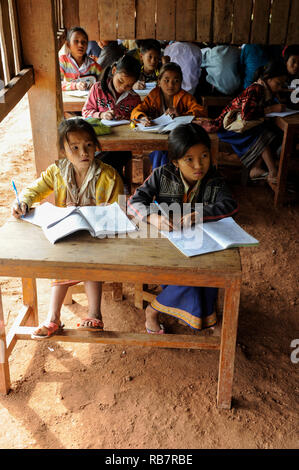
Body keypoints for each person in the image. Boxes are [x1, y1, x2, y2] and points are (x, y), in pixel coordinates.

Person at [11, 118, 124, 339]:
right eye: (74, 147)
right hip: (68, 234)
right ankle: (53, 317)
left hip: (99, 237)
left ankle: (94, 314)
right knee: (62, 256)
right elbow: (33, 190)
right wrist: (22, 201)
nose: (83, 151)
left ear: (95, 145)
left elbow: (120, 211)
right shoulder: (56, 172)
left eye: (89, 145)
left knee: (92, 255)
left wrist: (99, 214)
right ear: (63, 151)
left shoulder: (109, 175)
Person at [127, 123, 238, 333]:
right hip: (168, 243)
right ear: (175, 161)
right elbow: (134, 201)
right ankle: (155, 311)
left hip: (201, 244)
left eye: (204, 156)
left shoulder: (214, 178)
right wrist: (152, 217)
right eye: (189, 159)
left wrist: (201, 214)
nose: (199, 165)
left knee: (204, 271)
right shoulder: (162, 175)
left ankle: (158, 309)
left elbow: (231, 205)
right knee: (192, 276)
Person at [197, 60, 288, 184]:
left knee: (264, 130)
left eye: (282, 85)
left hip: (239, 127)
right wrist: (271, 109)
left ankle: (257, 167)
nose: (279, 87)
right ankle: (272, 171)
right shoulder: (256, 89)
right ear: (268, 78)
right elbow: (247, 115)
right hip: (228, 128)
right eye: (278, 83)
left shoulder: (266, 91)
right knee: (261, 134)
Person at [131, 62, 207, 169]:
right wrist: (142, 118)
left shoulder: (185, 97)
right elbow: (137, 110)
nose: (171, 85)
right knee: (160, 153)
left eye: (176, 81)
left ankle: (165, 177)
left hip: (180, 139)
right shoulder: (153, 95)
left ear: (181, 82)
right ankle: (160, 177)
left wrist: (180, 115)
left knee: (169, 154)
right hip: (157, 137)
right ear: (159, 82)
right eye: (166, 80)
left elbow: (201, 111)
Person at [82, 54, 141, 180]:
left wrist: (128, 120)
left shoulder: (134, 98)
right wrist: (101, 115)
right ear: (114, 71)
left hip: (123, 144)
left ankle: (108, 183)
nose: (122, 87)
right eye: (120, 81)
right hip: (100, 141)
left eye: (129, 85)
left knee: (118, 155)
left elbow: (137, 120)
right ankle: (114, 183)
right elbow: (86, 112)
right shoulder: (97, 89)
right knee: (108, 159)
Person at [59, 27, 102, 91]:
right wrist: (75, 85)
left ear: (87, 45)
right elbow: (57, 84)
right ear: (68, 45)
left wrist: (95, 86)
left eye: (84, 42)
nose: (80, 45)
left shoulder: (93, 65)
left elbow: (104, 83)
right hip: (71, 100)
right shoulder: (63, 61)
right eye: (76, 41)